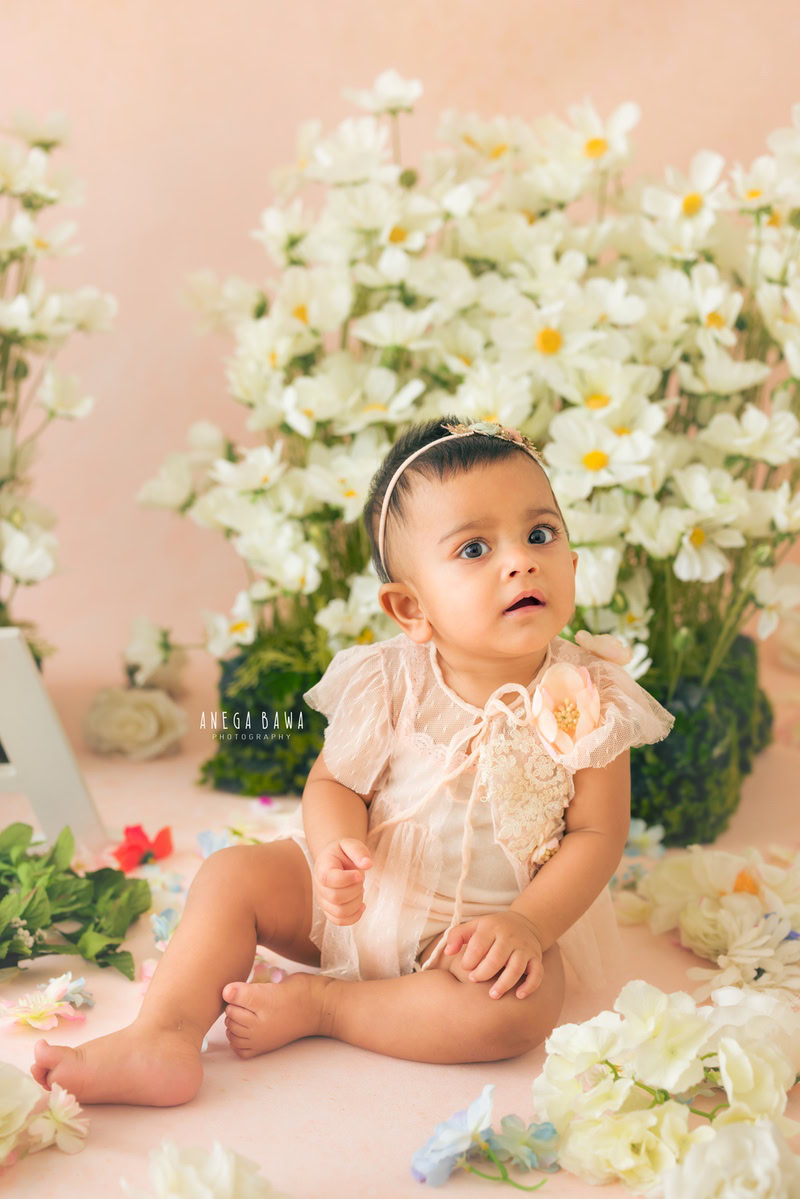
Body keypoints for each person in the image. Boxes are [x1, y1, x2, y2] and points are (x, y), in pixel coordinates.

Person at [30, 415, 675, 1105]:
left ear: (573, 564)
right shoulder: (391, 679)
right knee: (233, 874)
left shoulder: (592, 694)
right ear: (410, 607)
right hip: (369, 894)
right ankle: (162, 1034)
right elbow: (335, 779)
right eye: (475, 548)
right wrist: (335, 846)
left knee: (516, 1008)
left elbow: (597, 835)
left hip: (481, 928)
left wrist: (528, 924)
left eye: (539, 534)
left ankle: (326, 1006)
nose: (520, 559)